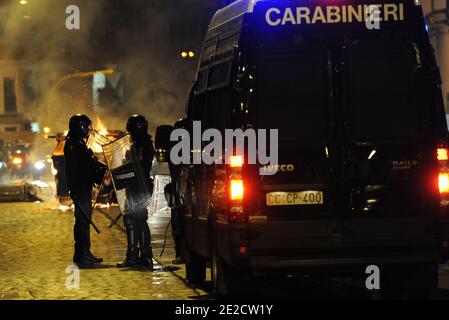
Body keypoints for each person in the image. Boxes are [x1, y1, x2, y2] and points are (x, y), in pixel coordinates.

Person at [64, 114, 106, 266]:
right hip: (80, 189)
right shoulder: (75, 145)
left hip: (80, 188)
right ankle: (83, 254)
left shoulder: (74, 143)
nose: (88, 130)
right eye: (86, 127)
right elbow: (86, 165)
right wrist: (100, 168)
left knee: (82, 221)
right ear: (80, 127)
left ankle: (82, 254)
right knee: (83, 222)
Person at [117, 115, 155, 269]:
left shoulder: (142, 145)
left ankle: (135, 257)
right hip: (139, 186)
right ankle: (143, 256)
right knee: (136, 220)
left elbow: (135, 167)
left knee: (134, 221)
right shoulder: (143, 143)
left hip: (138, 187)